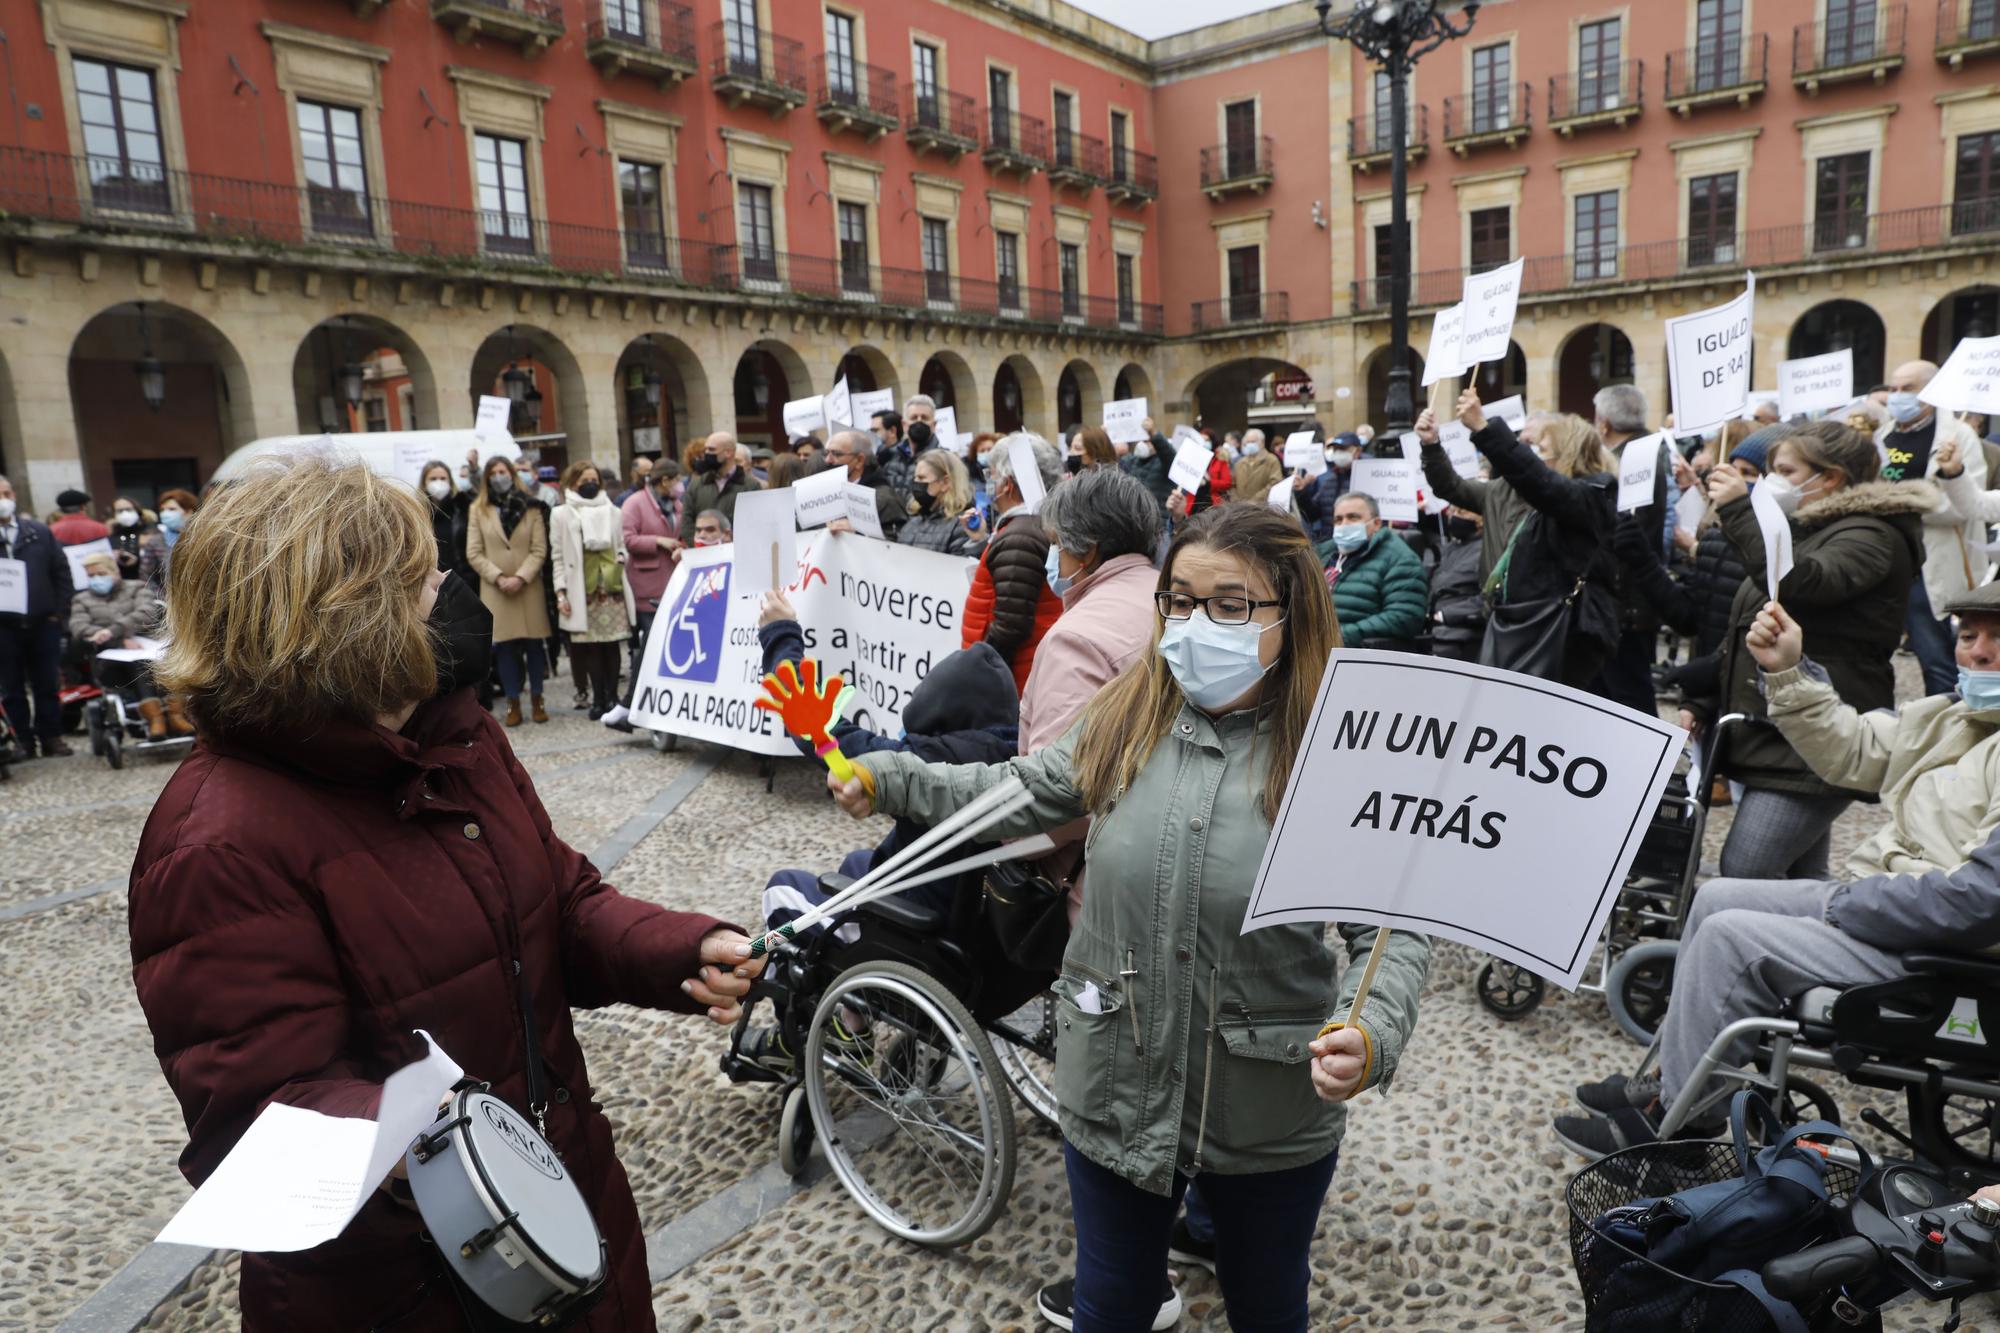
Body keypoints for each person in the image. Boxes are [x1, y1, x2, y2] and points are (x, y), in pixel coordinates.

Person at [129, 449, 761, 1331]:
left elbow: (560, 899)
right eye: (417, 575)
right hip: (407, 1285)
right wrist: (436, 1138)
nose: (442, 583)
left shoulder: (455, 735)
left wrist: (682, 948)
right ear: (342, 616)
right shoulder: (217, 842)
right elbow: (264, 1114)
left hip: (566, 1206)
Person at [828, 504, 1431, 1333]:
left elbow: (1389, 930)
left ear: (1290, 617)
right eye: (1177, 599)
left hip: (1268, 1105)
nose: (1193, 623)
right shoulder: (1129, 715)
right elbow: (1014, 789)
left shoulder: (1337, 753)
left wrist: (1371, 1033)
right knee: (1110, 1308)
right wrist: (888, 775)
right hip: (1116, 1083)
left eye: (1228, 604)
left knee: (1267, 1307)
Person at [1556, 583, 2000, 1156]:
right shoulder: (1953, 719)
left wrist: (1851, 904)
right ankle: (1674, 1079)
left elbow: (1978, 901)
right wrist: (1789, 671)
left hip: (1940, 946)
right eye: (1968, 637)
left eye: (1996, 640)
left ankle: (1680, 1130)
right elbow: (1854, 747)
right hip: (1894, 905)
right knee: (1717, 898)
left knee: (1729, 938)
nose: (1978, 653)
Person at [1689, 422, 1932, 880]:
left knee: (1747, 868)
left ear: (1831, 478)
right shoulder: (1807, 527)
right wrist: (1700, 696)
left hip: (1817, 738)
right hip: (1777, 731)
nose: (1770, 481)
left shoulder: (1872, 534)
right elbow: (1751, 623)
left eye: (1784, 470)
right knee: (1802, 879)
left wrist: (1741, 509)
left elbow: (1803, 583)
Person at [1416, 393, 1622, 690]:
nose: (1528, 452)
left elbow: (1541, 484)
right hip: (1515, 624)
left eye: (1538, 447)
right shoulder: (1510, 492)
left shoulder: (1589, 496)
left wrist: (1483, 428)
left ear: (1567, 454)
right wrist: (1432, 445)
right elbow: (1453, 485)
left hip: (1559, 634)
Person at [1878, 359, 1990, 695]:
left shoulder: (1959, 436)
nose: (1897, 396)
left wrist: (1895, 502)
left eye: (1907, 389)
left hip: (1934, 566)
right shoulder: (1883, 435)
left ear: (1931, 391)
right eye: (1894, 389)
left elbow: (1961, 505)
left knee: (1941, 660)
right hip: (1890, 559)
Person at [960, 430, 1064, 694]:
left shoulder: (1021, 535)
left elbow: (1011, 625)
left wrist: (980, 673)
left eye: (992, 475)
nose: (989, 483)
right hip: (1020, 673)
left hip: (1014, 680)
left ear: (1007, 484)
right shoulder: (1026, 526)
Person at [1592, 385, 1670, 715]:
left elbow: (1621, 535)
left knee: (1627, 697)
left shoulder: (1630, 461)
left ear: (1604, 423)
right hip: (1626, 599)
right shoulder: (1646, 452)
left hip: (1624, 602)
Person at [465, 453, 551, 727]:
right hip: (496, 589)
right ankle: (513, 702)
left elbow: (539, 549)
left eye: (503, 471)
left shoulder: (532, 507)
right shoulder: (478, 510)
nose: (499, 477)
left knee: (535, 645)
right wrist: (499, 577)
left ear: (512, 475)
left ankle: (537, 698)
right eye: (493, 473)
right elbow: (474, 552)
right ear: (487, 478)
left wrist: (521, 577)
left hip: (528, 587)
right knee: (505, 649)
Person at [549, 461, 636, 721]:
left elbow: (622, 545)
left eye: (594, 479)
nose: (590, 484)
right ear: (573, 482)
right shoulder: (561, 513)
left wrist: (621, 559)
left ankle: (612, 696)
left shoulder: (613, 511)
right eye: (584, 479)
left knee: (611, 645)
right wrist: (560, 592)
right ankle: (597, 697)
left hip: (611, 587)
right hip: (581, 589)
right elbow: (558, 557)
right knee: (590, 647)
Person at [0, 473, 75, 757]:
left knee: (47, 683)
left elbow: (61, 572)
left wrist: (59, 612)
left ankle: (51, 737)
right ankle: (22, 740)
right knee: (11, 687)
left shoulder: (38, 532)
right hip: (4, 627)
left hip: (43, 622)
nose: (3, 501)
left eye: (6, 494)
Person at [69, 550, 180, 740]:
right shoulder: (81, 600)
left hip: (148, 645)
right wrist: (119, 641)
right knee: (138, 664)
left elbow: (147, 612)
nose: (97, 579)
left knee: (162, 660)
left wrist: (113, 630)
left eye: (101, 574)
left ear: (115, 572)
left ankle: (175, 713)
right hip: (112, 657)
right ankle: (157, 719)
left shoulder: (136, 588)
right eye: (91, 576)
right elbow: (79, 626)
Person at [606, 464, 684, 732]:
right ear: (664, 480)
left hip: (674, 580)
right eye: (675, 480)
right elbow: (627, 539)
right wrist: (658, 541)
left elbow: (682, 532)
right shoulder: (635, 503)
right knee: (651, 642)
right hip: (647, 582)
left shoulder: (677, 504)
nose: (678, 485)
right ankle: (636, 704)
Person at [1318, 492, 1429, 649]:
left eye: (1353, 517)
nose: (1344, 524)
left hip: (1355, 656)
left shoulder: (1400, 560)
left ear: (1376, 523)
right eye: (1338, 519)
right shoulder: (1321, 554)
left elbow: (1404, 617)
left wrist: (1341, 636)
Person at [822, 428, 910, 540]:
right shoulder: (826, 492)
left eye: (837, 454)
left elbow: (898, 542)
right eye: (826, 453)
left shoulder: (884, 499)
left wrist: (858, 533)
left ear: (859, 460)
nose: (828, 460)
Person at [679, 431, 762, 546]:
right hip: (704, 555)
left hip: (736, 555)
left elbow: (756, 524)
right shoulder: (697, 484)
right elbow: (686, 523)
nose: (707, 454)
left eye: (712, 450)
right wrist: (700, 546)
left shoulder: (750, 486)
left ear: (728, 452)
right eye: (706, 450)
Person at [1427, 507, 1487, 662]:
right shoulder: (1451, 548)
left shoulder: (1487, 550)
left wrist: (1445, 615)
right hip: (1436, 632)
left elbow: (1488, 597)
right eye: (1452, 511)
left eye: (1461, 512)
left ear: (1482, 519)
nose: (1453, 516)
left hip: (1463, 637)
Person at [897, 448, 981, 555]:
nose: (915, 483)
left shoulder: (961, 526)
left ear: (945, 483)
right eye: (915, 478)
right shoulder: (913, 521)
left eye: (922, 478)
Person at [418, 460, 469, 581]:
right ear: (424, 483)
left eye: (443, 478)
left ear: (450, 482)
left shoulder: (461, 508)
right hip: (430, 581)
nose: (439, 482)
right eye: (433, 479)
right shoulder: (418, 512)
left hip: (462, 578)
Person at [108, 495, 167, 589]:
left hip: (153, 586)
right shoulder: (112, 536)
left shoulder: (151, 531)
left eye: (128, 509)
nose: (125, 513)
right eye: (120, 511)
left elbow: (163, 561)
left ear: (137, 510)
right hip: (124, 586)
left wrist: (138, 560)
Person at [1124, 418, 1175, 514]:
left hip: (1158, 520)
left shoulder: (1165, 462)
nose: (1143, 444)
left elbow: (1168, 453)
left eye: (1148, 441)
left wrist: (1153, 433)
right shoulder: (1134, 461)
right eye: (1142, 441)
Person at [155, 488, 197, 555]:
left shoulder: (203, 536)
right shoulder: (156, 541)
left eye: (172, 509)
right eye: (162, 510)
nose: (165, 513)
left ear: (189, 511)